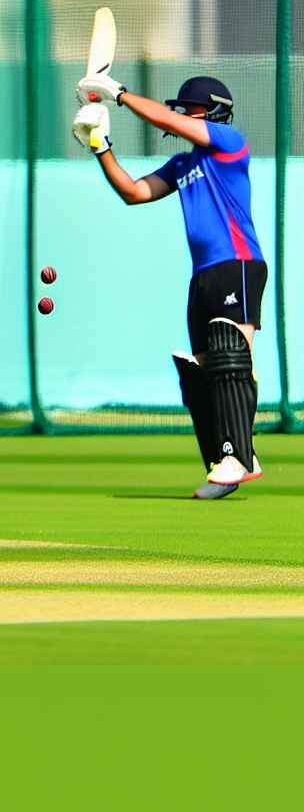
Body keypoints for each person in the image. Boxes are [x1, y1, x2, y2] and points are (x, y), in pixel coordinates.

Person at [74, 73, 263, 499]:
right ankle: (225, 462)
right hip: (203, 275)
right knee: (199, 374)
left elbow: (168, 121)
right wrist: (100, 146)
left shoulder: (229, 142)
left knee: (229, 357)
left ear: (211, 111)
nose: (180, 115)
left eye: (188, 108)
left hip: (238, 264)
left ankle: (239, 454)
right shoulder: (182, 165)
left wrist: (120, 95)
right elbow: (134, 192)